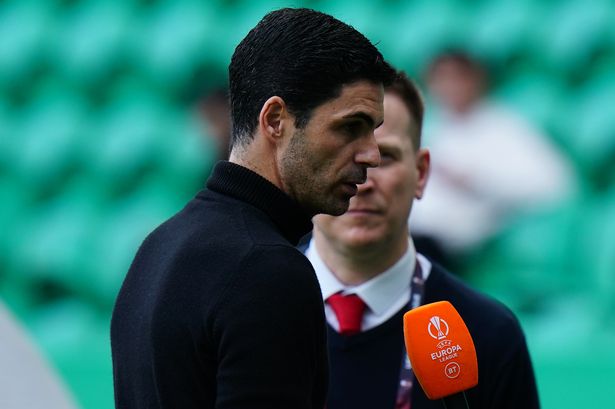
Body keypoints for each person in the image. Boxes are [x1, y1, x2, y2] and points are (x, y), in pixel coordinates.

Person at [111, 8, 395, 409]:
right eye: (350, 126)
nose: (371, 154)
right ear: (276, 119)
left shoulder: (158, 246)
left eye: (373, 131)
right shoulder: (268, 270)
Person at [304, 72, 540, 408]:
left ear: (422, 173)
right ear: (301, 168)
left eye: (383, 157)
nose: (362, 180)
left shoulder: (487, 332)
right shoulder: (242, 308)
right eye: (336, 153)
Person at [410, 51, 574, 267]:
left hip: (467, 244)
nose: (450, 87)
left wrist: (476, 181)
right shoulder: (434, 128)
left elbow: (554, 184)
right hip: (416, 231)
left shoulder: (504, 127)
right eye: (441, 79)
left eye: (457, 78)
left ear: (476, 80)